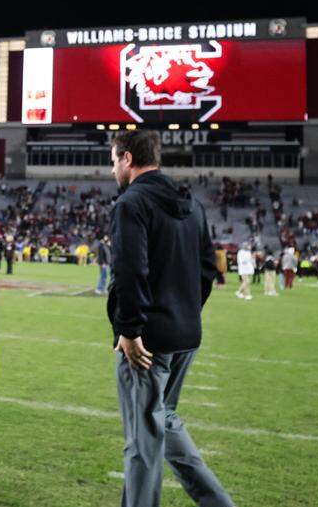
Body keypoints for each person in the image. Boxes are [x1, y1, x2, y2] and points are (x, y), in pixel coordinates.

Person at [106, 130, 233, 507]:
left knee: (143, 443)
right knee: (165, 420)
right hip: (185, 336)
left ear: (127, 158)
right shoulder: (192, 204)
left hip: (148, 342)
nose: (112, 168)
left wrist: (128, 330)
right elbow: (208, 269)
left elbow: (130, 270)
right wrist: (185, 312)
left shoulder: (132, 203)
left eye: (114, 159)